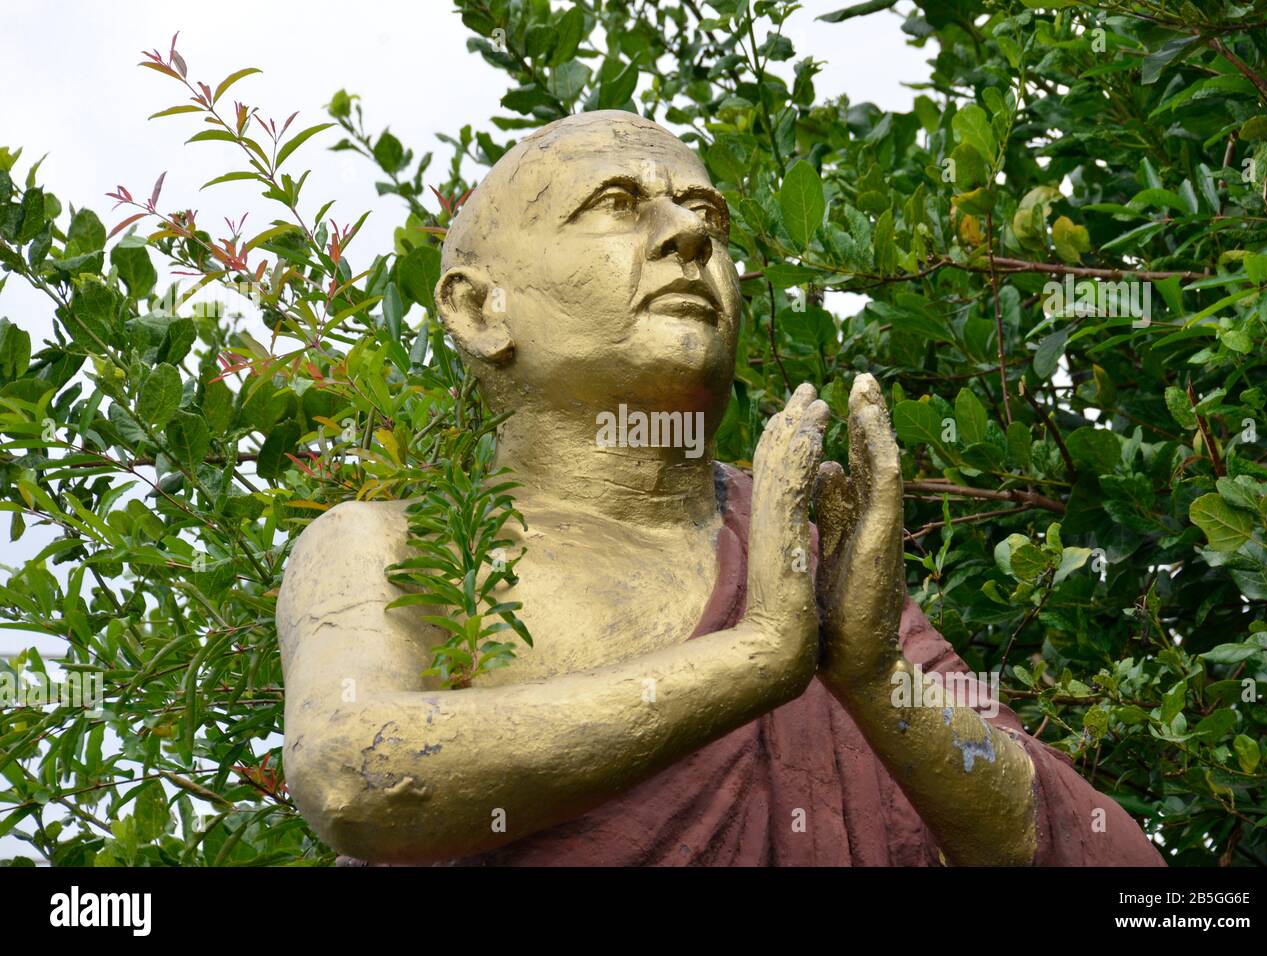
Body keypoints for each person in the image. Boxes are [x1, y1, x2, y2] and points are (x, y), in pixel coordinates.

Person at [275, 111, 1164, 866]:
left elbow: (1095, 854)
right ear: (479, 310)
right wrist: (757, 658)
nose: (689, 235)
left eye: (708, 214)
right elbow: (354, 774)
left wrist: (876, 676)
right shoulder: (389, 548)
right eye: (617, 205)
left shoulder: (804, 560)